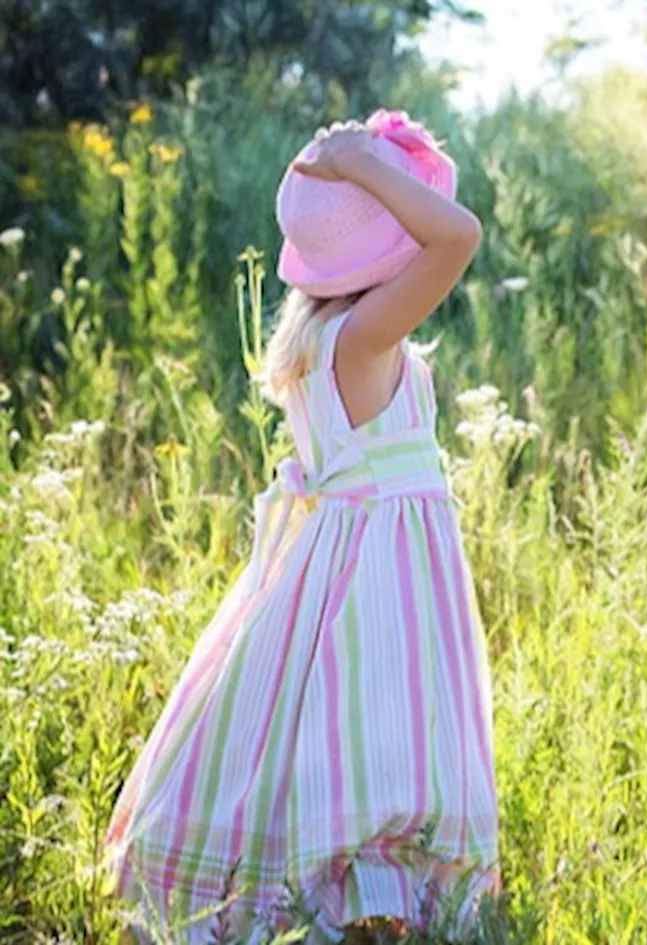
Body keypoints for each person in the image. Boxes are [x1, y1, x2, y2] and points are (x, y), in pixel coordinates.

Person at [103, 109, 499, 943]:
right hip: (384, 561)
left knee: (310, 721)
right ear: (388, 243)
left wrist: (357, 169)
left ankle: (339, 885)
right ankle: (372, 893)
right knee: (382, 724)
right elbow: (458, 236)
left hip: (340, 550)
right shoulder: (364, 337)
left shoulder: (319, 336)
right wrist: (360, 161)